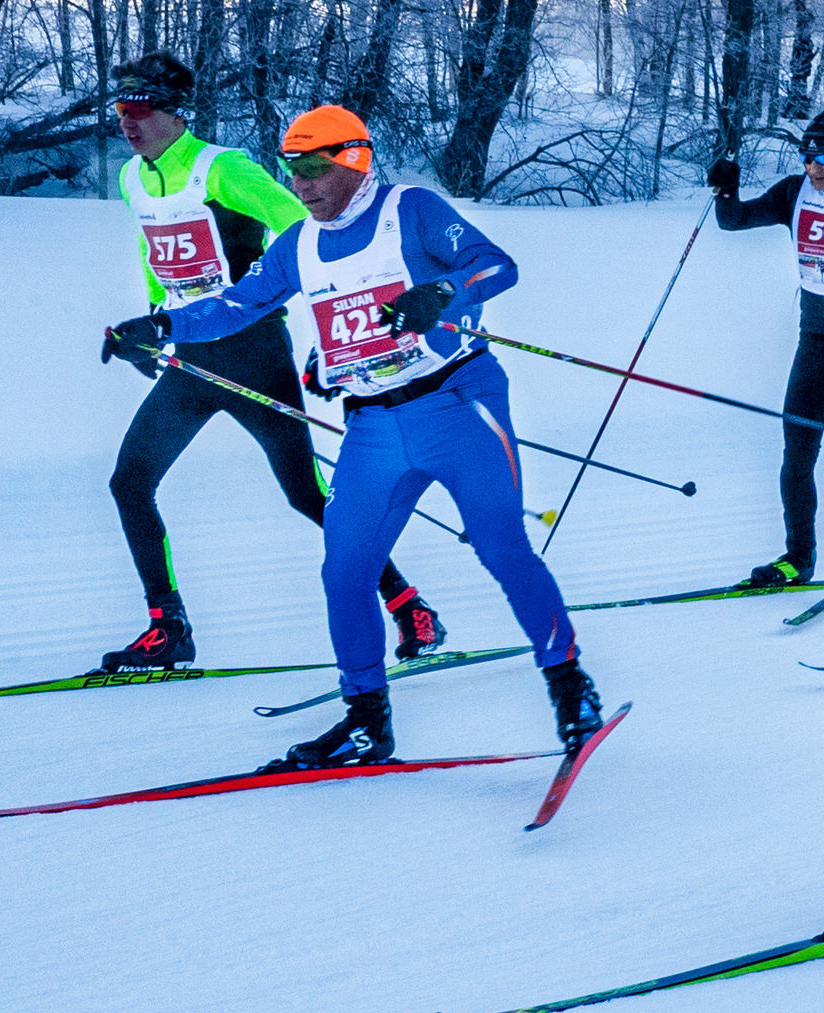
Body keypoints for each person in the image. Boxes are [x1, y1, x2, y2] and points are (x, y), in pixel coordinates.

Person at [105, 106, 600, 772]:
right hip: (374, 425)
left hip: (457, 402)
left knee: (500, 546)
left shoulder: (411, 211)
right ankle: (368, 721)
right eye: (292, 171)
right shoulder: (298, 244)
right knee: (344, 571)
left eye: (313, 169)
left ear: (354, 160)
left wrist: (443, 292)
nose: (302, 184)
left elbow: (496, 266)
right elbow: (234, 305)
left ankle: (571, 690)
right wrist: (160, 326)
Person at [91, 54, 439, 676]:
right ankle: (168, 628)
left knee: (307, 494)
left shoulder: (221, 168)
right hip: (192, 357)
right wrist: (153, 325)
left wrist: (323, 327)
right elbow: (154, 253)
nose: (128, 120)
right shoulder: (132, 179)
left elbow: (299, 226)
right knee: (129, 482)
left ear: (175, 111)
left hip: (253, 351)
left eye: (140, 107)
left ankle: (408, 605)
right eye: (120, 109)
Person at [705, 108, 824, 592]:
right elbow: (734, 221)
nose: (815, 168)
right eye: (808, 158)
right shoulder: (794, 193)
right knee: (798, 447)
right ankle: (798, 557)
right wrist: (727, 188)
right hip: (819, 337)